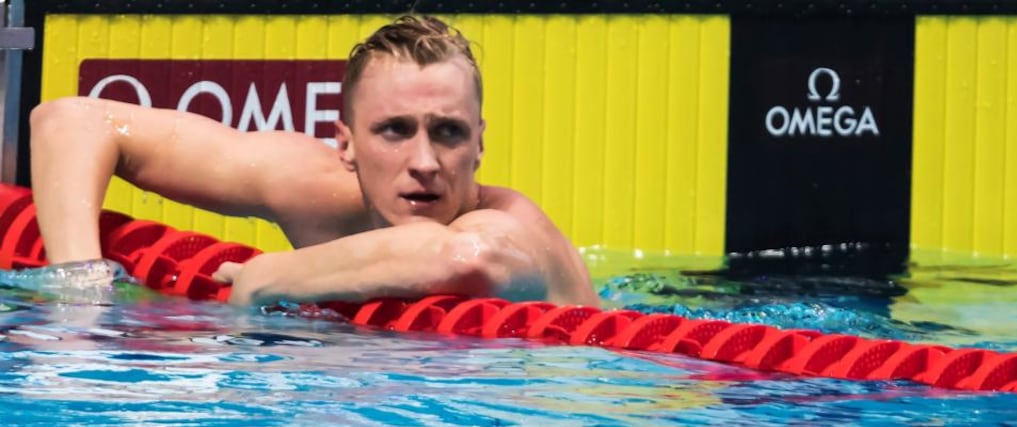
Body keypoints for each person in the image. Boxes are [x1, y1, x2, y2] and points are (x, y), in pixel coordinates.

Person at [28, 14, 600, 308]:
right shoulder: (316, 191)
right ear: (346, 143)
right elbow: (69, 122)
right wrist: (81, 299)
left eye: (447, 133)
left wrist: (270, 276)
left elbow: (465, 258)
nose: (424, 161)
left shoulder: (514, 229)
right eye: (394, 131)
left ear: (479, 143)